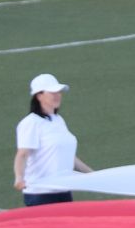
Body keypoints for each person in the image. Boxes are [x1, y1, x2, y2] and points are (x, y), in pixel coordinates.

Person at [13, 74, 92, 206]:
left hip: (64, 190)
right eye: (52, 92)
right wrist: (19, 177)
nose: (57, 95)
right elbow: (23, 153)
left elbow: (68, 156)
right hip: (41, 194)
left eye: (59, 92)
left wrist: (91, 174)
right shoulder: (31, 123)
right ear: (39, 96)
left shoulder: (58, 120)